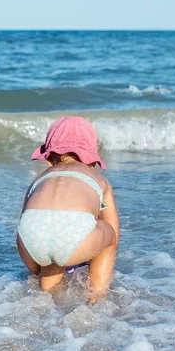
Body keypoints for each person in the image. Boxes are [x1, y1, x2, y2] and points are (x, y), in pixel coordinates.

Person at [17, 116, 120, 301]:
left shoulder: (39, 179)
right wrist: (94, 248)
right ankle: (96, 295)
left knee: (51, 241)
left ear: (48, 159)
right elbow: (113, 228)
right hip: (69, 237)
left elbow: (24, 218)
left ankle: (47, 292)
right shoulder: (100, 180)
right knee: (109, 236)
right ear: (93, 161)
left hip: (30, 241)